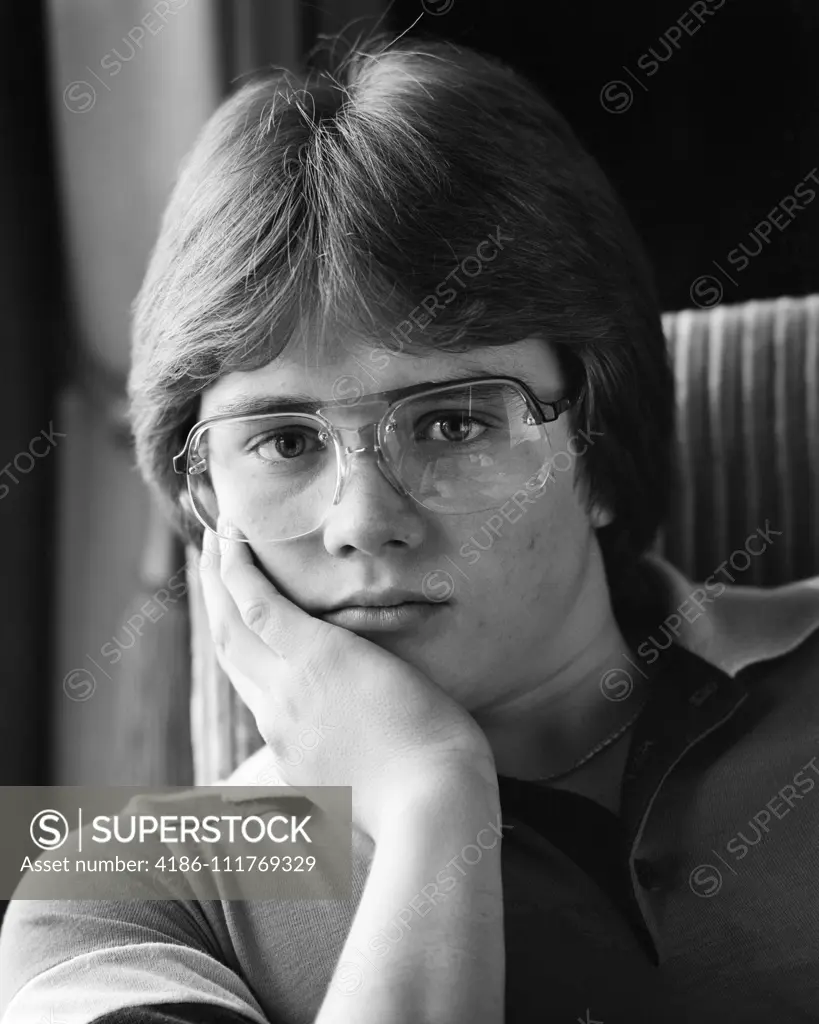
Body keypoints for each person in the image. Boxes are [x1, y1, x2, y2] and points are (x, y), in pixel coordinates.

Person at [2, 33, 819, 1024]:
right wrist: (434, 800)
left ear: (600, 447)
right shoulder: (119, 885)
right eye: (287, 442)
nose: (364, 522)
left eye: (451, 421)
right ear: (201, 498)